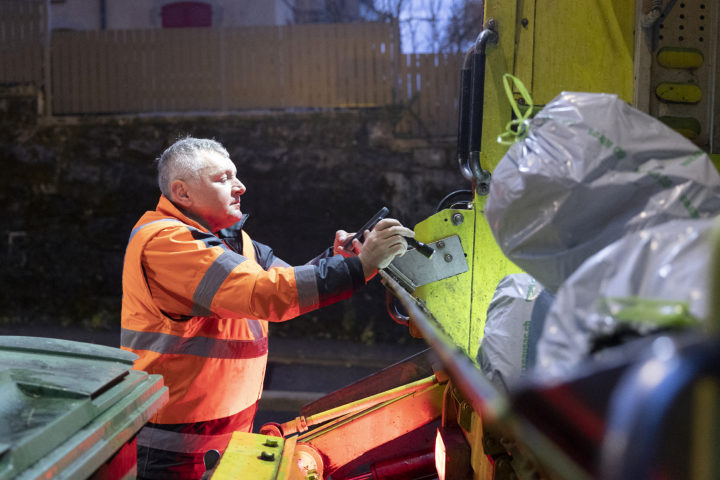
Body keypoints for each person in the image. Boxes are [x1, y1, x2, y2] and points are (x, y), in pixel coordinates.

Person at [120, 136, 413, 479]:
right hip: (174, 445)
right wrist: (360, 266)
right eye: (223, 178)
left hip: (218, 433)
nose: (240, 186)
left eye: (235, 176)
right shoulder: (167, 242)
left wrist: (341, 259)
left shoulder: (231, 241)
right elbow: (265, 294)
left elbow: (287, 281)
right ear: (182, 193)